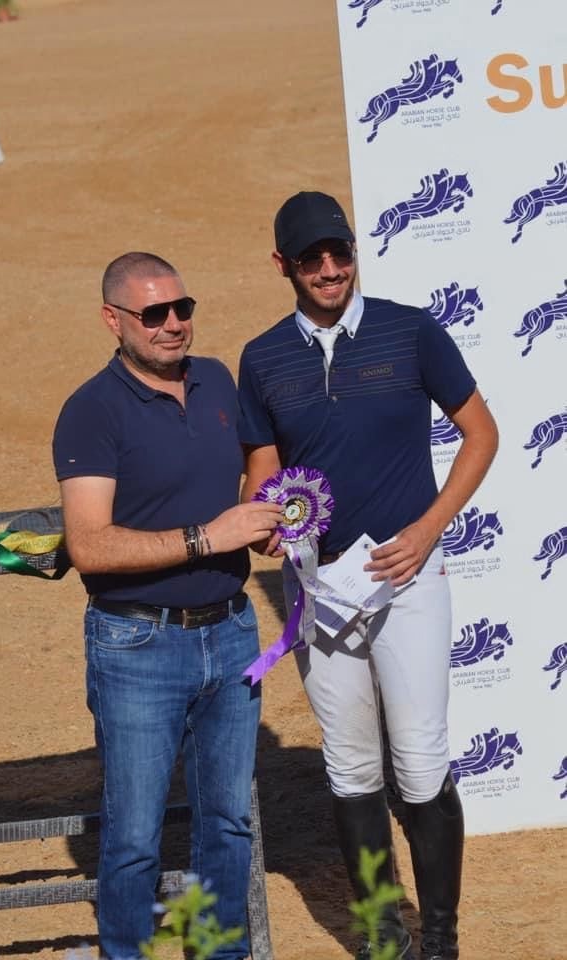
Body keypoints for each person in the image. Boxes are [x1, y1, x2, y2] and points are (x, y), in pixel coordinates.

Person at [238, 192, 499, 960]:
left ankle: (440, 942)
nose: (330, 269)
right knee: (351, 766)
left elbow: (481, 433)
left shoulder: (411, 330)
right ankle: (386, 940)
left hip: (409, 581)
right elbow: (264, 472)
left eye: (340, 253)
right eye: (311, 258)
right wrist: (267, 521)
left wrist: (427, 529)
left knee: (419, 762)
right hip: (319, 590)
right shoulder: (261, 358)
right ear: (283, 265)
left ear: (354, 252)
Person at [52, 251, 283, 960]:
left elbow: (260, 452)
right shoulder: (91, 411)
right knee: (132, 837)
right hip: (137, 645)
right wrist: (209, 536)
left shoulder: (216, 379)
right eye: (154, 313)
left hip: (232, 631)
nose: (173, 323)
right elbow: (89, 545)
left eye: (183, 308)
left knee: (228, 824)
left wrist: (263, 509)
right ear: (113, 319)